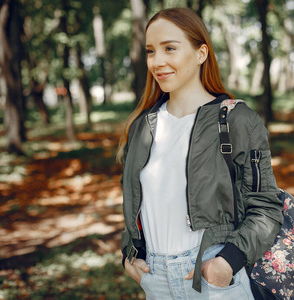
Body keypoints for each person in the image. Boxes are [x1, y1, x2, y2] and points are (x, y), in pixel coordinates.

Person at [117, 7, 283, 299]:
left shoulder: (237, 120)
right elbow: (135, 203)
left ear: (200, 53)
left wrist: (226, 262)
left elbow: (267, 207)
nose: (158, 61)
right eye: (151, 51)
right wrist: (128, 252)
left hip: (213, 279)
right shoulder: (141, 127)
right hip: (155, 280)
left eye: (170, 48)